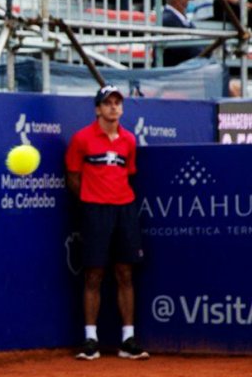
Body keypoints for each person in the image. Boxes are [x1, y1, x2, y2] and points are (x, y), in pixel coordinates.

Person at [65, 85, 149, 361]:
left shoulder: (129, 141)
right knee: (94, 275)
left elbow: (130, 174)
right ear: (98, 109)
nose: (114, 107)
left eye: (117, 102)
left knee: (125, 273)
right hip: (95, 212)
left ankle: (128, 340)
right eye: (108, 103)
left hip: (124, 210)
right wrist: (91, 201)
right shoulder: (82, 139)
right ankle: (91, 340)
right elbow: (74, 178)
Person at [160, 0, 207, 67]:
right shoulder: (168, 19)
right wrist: (204, 53)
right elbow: (185, 48)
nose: (190, 1)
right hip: (174, 73)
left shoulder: (183, 19)